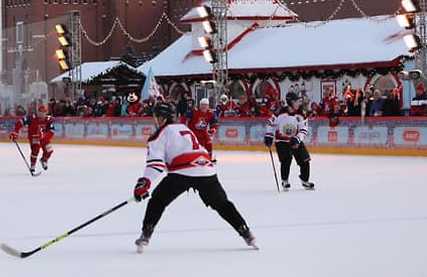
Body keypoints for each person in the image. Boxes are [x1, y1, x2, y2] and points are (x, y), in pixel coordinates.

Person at [132, 101, 256, 252]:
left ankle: (146, 235)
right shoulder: (184, 128)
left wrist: (145, 182)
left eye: (156, 116)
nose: (154, 120)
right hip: (206, 169)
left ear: (162, 118)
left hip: (182, 171)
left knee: (157, 201)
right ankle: (246, 232)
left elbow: (156, 163)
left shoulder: (159, 134)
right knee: (222, 204)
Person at [264, 92, 315, 190]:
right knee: (286, 159)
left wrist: (297, 139)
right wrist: (269, 135)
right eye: (296, 101)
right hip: (281, 140)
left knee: (305, 159)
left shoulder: (301, 114)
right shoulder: (280, 112)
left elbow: (304, 129)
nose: (299, 103)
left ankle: (305, 180)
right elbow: (271, 124)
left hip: (294, 139)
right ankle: (285, 180)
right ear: (290, 102)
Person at [11, 104, 55, 173]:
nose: (42, 114)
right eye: (40, 112)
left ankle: (44, 160)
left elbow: (52, 132)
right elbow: (19, 123)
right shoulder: (31, 118)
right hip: (34, 136)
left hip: (44, 137)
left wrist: (44, 135)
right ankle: (33, 165)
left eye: (44, 113)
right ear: (37, 112)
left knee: (49, 150)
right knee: (36, 148)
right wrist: (15, 132)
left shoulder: (49, 120)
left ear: (46, 113)